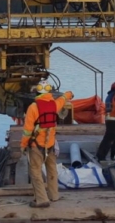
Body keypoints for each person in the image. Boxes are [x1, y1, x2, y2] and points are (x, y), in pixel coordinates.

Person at [20, 80, 74, 208]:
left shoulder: (33, 107)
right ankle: (54, 195)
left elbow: (27, 131)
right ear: (49, 91)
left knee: (35, 172)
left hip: (36, 146)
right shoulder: (54, 105)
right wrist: (69, 94)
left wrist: (23, 145)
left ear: (37, 92)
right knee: (52, 170)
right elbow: (63, 98)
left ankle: (42, 199)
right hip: (50, 145)